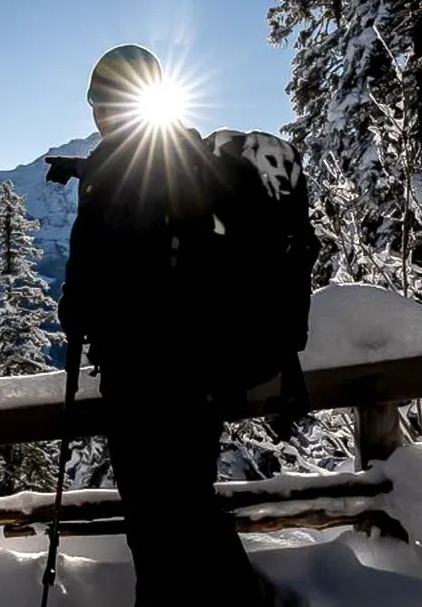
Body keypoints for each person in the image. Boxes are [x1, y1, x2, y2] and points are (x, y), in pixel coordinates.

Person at [54, 44, 312, 606]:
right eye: (96, 100)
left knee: (162, 513)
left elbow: (112, 269)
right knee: (182, 503)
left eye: (103, 100)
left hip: (150, 371)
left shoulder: (119, 171)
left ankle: (241, 602)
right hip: (201, 370)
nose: (99, 112)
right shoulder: (183, 157)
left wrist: (76, 309)